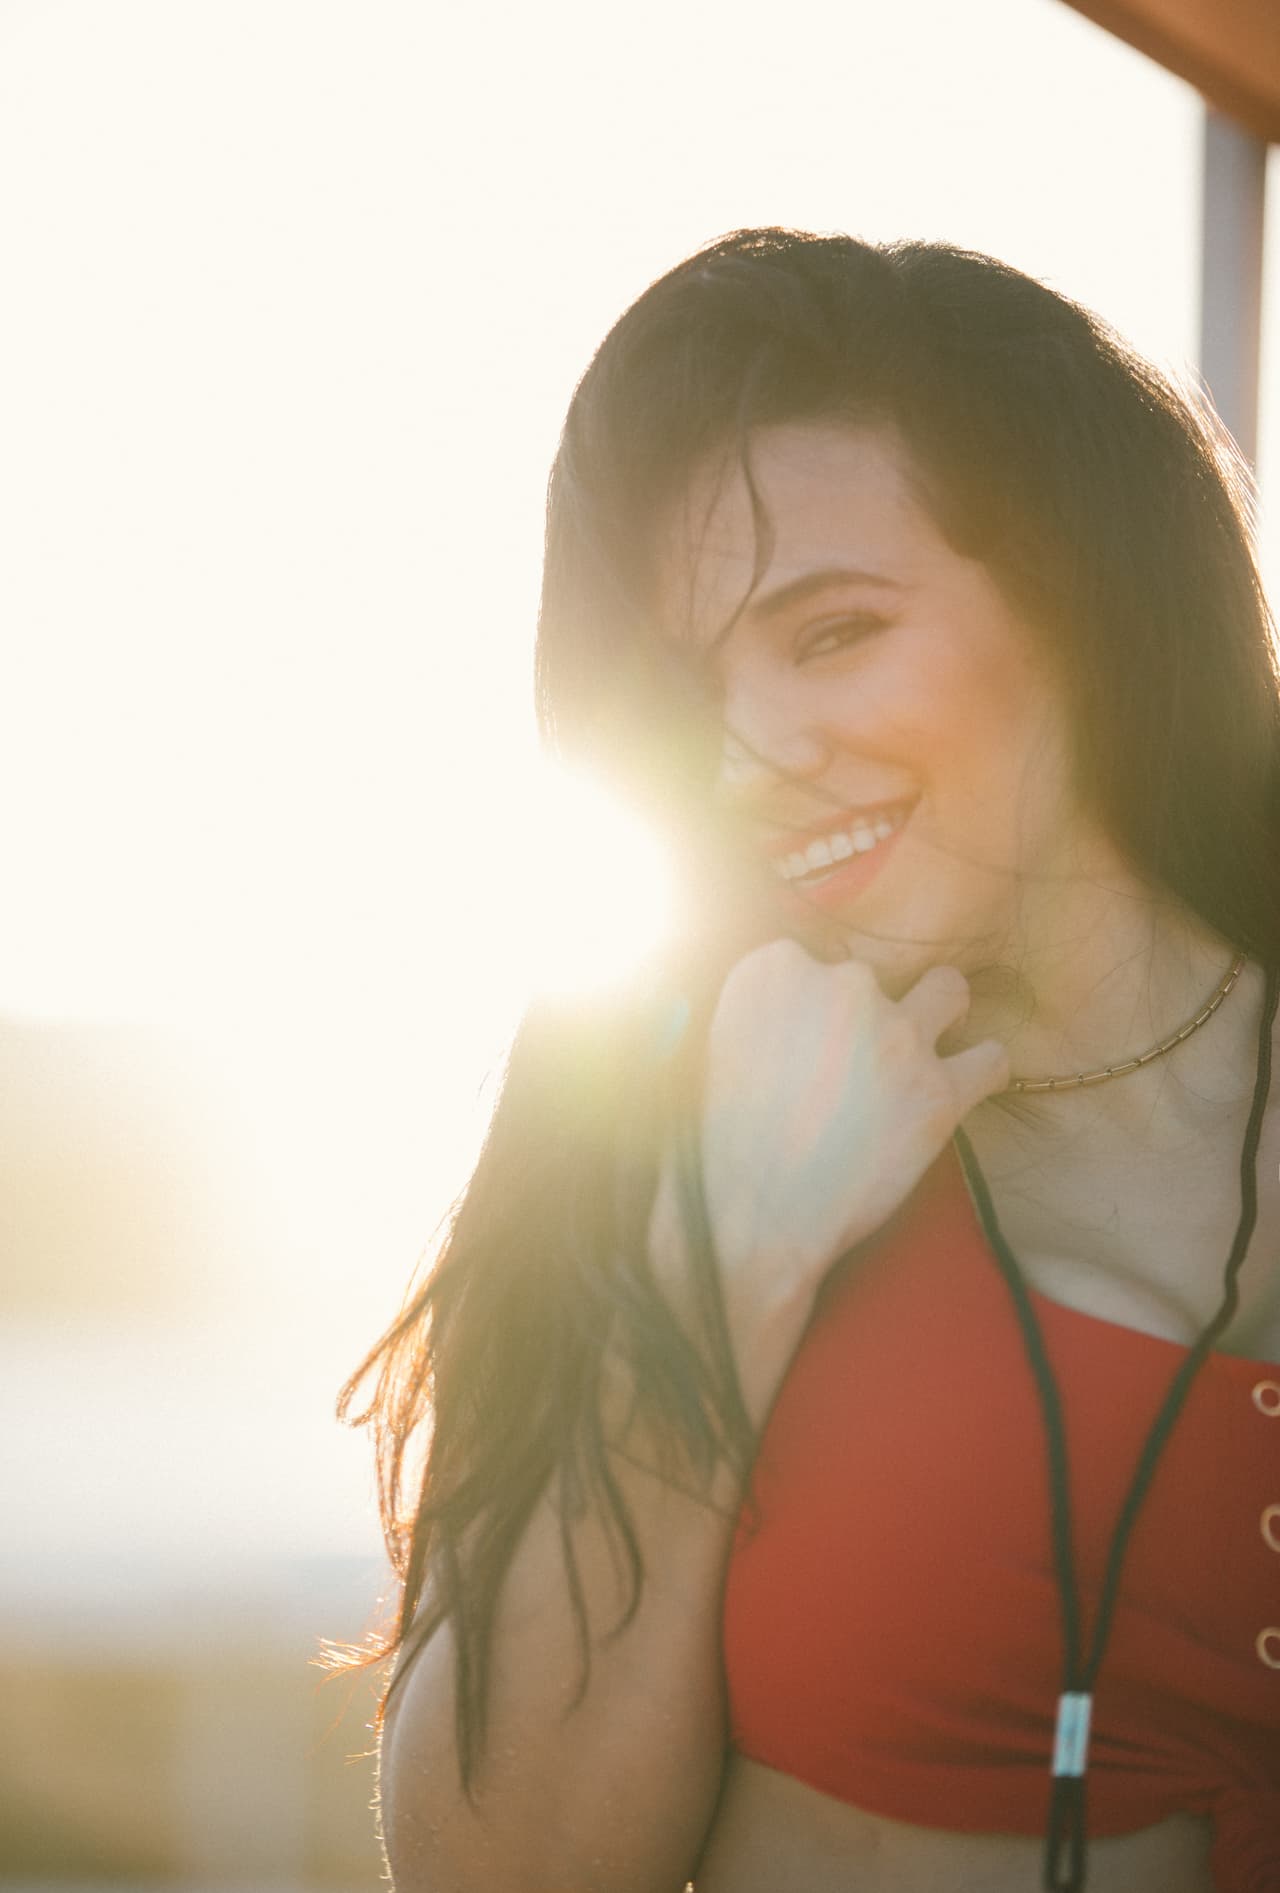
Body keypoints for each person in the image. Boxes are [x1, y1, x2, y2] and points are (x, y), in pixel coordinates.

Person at [332, 229, 1280, 1893]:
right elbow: (493, 1869)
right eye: (684, 692)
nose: (751, 758)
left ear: (1086, 592)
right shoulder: (633, 1111)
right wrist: (732, 1256)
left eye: (832, 634)